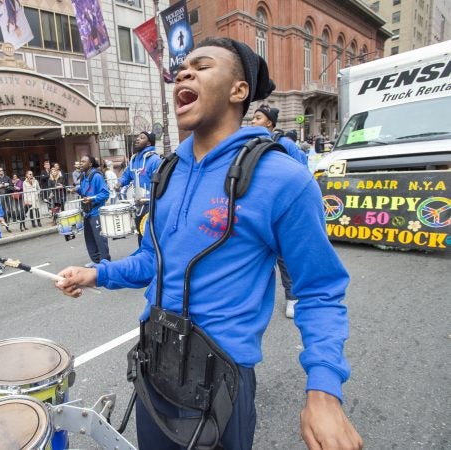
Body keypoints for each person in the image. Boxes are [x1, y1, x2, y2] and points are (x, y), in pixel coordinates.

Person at [55, 37, 361, 450]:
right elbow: (153, 260)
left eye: (202, 66)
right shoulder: (166, 173)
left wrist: (324, 391)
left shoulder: (283, 178)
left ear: (238, 91)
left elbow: (319, 290)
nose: (184, 72)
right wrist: (96, 274)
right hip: (153, 368)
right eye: (182, 68)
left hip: (220, 385)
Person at [250, 103, 309, 319]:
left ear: (270, 123)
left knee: (284, 256)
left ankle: (292, 298)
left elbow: (301, 172)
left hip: (281, 207)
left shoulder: (285, 144)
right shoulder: (251, 144)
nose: (253, 121)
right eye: (253, 118)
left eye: (257, 118)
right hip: (259, 206)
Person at [116, 132, 163, 245]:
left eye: (142, 138)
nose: (137, 139)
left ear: (148, 143)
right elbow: (126, 176)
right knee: (141, 235)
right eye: (137, 137)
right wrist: (119, 183)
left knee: (152, 237)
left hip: (151, 205)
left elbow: (160, 184)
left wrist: (147, 197)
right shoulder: (133, 160)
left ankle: (155, 261)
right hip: (138, 204)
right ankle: (143, 258)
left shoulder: (155, 160)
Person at [73, 155, 110, 266]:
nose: (81, 163)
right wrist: (76, 190)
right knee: (89, 239)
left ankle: (105, 263)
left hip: (96, 212)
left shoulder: (97, 176)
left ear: (90, 164)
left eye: (83, 161)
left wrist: (92, 199)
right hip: (87, 212)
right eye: (80, 161)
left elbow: (105, 193)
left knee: (100, 239)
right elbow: (85, 191)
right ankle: (96, 261)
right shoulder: (83, 176)